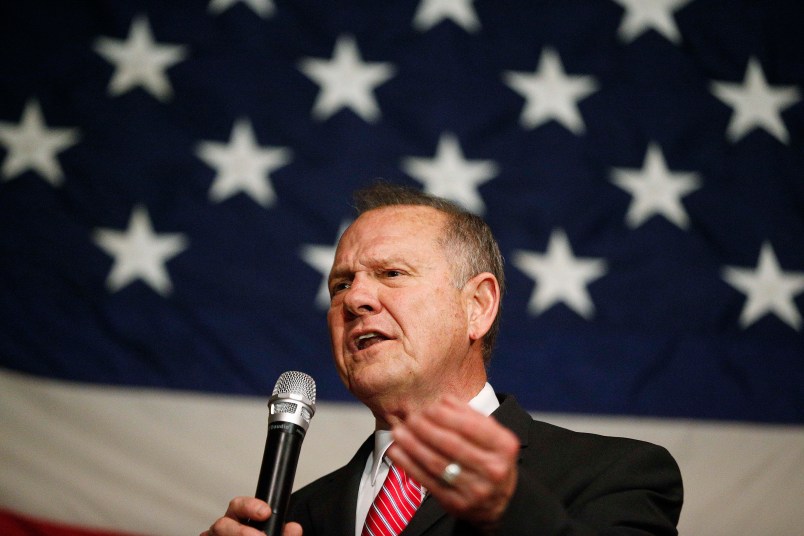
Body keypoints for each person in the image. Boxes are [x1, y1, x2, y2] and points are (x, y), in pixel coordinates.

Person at [203, 183, 683, 536]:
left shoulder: (617, 473)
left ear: (477, 307)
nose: (355, 300)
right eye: (341, 285)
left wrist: (509, 509)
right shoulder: (298, 518)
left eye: (391, 273)